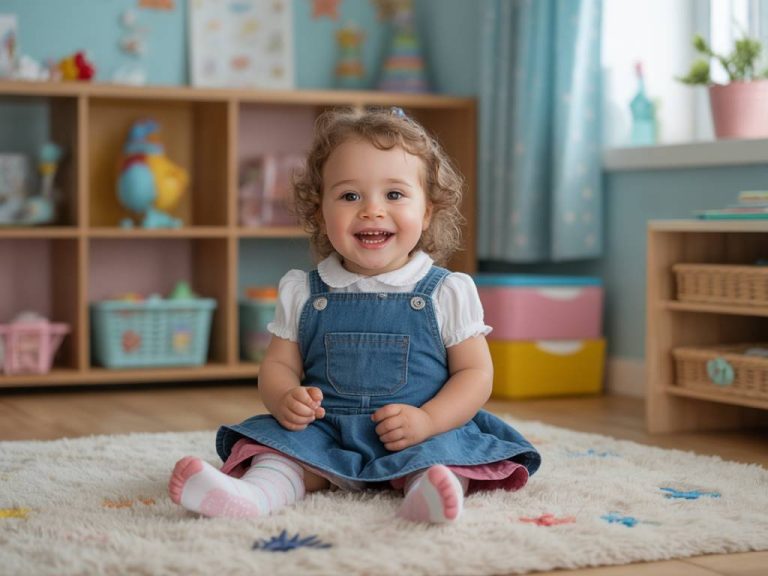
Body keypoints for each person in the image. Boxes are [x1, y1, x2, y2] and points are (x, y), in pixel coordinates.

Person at [169, 107, 540, 524]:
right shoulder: (303, 290)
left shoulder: (446, 291)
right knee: (281, 450)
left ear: (428, 211)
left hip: (420, 431)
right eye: (349, 196)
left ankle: (431, 493)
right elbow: (277, 364)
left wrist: (429, 420)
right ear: (319, 211)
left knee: (450, 453)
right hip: (327, 431)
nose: (371, 210)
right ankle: (253, 496)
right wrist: (285, 397)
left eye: (394, 195)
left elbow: (475, 374)